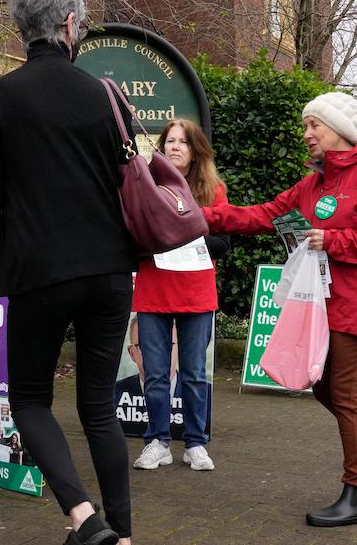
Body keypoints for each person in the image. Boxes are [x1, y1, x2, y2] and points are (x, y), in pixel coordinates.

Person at [0, 0, 134, 545]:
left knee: (31, 400)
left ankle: (83, 518)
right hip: (112, 269)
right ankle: (124, 535)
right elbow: (127, 175)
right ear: (69, 24)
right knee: (98, 407)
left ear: (23, 28)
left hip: (40, 269)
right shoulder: (107, 96)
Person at [202, 92, 357, 527]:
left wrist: (333, 240)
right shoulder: (313, 184)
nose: (307, 134)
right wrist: (206, 217)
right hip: (326, 304)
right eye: (305, 126)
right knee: (323, 389)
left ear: (338, 129)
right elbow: (266, 214)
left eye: (314, 125)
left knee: (348, 395)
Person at [132, 120, 230, 473]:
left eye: (183, 142)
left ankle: (195, 444)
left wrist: (185, 238)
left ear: (196, 150)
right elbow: (131, 239)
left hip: (196, 294)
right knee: (156, 374)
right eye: (169, 141)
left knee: (193, 373)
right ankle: (157, 441)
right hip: (153, 292)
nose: (174, 147)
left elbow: (224, 243)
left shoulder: (213, 191)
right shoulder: (145, 187)